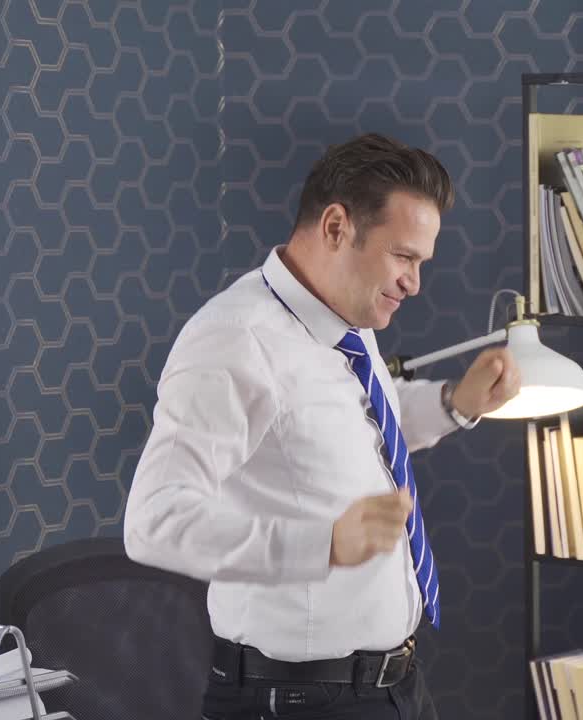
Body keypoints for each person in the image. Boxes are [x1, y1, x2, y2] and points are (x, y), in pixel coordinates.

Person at [124, 133, 521, 719]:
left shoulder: (345, 320)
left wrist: (454, 404)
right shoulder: (236, 341)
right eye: (403, 257)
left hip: (393, 687)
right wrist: (324, 544)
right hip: (299, 702)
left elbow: (344, 437)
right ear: (336, 227)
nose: (414, 282)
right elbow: (154, 521)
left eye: (420, 262)